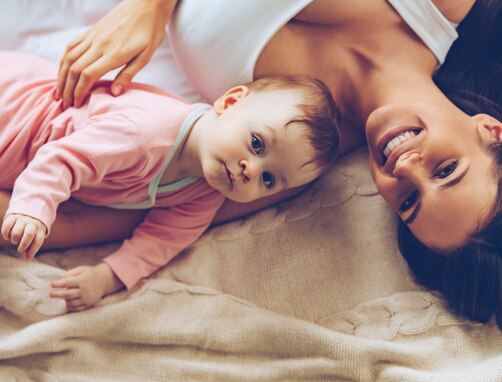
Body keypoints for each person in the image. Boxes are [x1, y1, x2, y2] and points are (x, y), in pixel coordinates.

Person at [1, 0, 502, 331]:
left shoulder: (292, 165)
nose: (403, 168)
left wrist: (22, 224)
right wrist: (148, 7)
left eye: (407, 202)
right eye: (447, 171)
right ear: (491, 131)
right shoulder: (437, 7)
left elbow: (151, 215)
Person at [0, 51, 340, 311]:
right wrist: (33, 208)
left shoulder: (205, 192)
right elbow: (62, 159)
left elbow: (162, 240)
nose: (249, 170)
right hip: (12, 111)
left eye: (268, 179)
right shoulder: (145, 135)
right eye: (256, 144)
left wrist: (106, 277)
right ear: (230, 102)